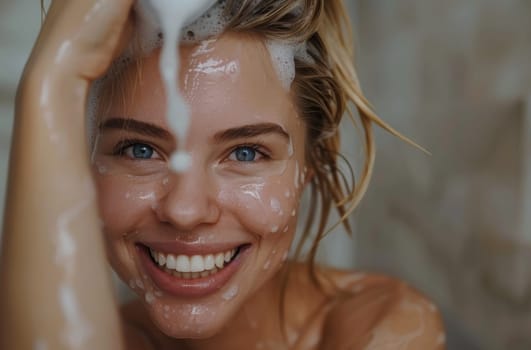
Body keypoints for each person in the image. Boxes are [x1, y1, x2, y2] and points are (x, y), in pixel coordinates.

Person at [0, 0, 445, 348]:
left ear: (312, 162)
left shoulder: (380, 328)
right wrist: (51, 82)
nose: (185, 210)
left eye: (247, 153)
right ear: (84, 166)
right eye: (139, 150)